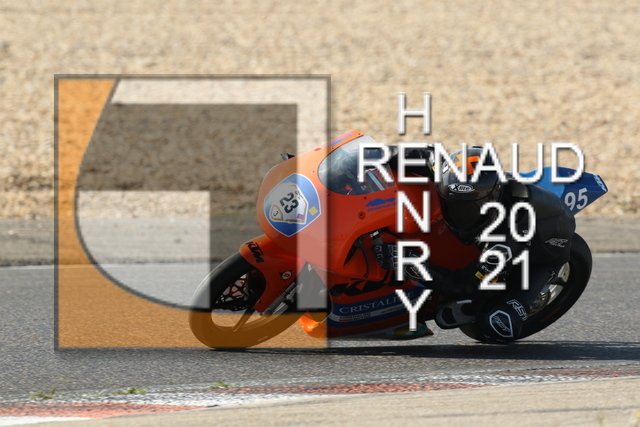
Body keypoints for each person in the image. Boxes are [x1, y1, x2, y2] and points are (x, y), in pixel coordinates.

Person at [375, 146, 576, 343]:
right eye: (453, 205)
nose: (461, 215)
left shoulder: (509, 237)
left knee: (497, 326)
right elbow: (420, 153)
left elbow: (463, 286)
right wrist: (368, 155)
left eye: (472, 208)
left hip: (543, 250)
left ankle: (521, 301)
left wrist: (413, 264)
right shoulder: (445, 168)